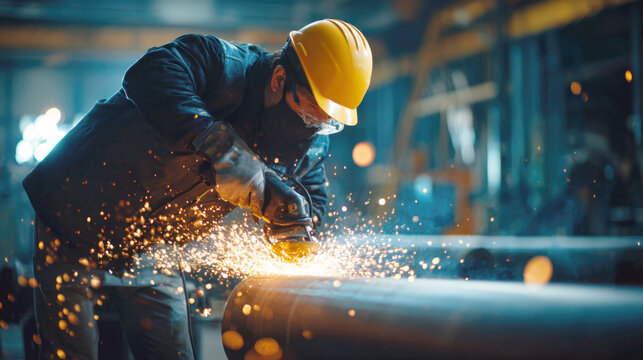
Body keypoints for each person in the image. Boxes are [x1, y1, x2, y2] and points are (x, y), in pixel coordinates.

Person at [22, 19, 372, 360]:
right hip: (74, 219)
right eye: (312, 113)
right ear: (280, 79)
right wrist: (219, 146)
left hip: (153, 250)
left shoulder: (308, 145)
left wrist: (296, 228)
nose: (313, 128)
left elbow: (310, 200)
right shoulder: (220, 65)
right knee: (71, 353)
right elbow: (152, 73)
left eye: (327, 123)